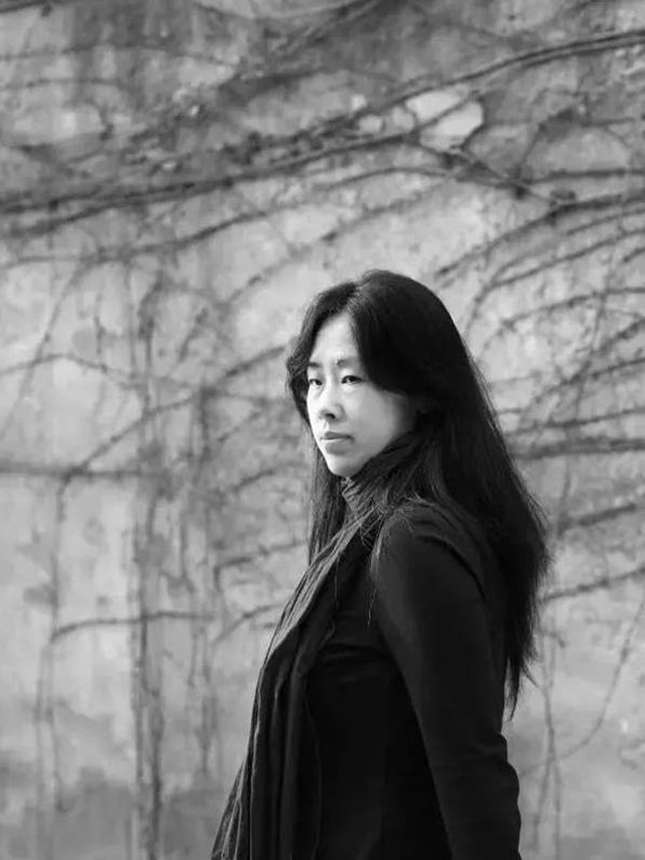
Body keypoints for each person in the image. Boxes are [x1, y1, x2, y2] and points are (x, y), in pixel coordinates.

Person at [211, 270, 550, 860]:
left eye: (352, 379)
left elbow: (470, 771)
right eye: (314, 381)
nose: (325, 406)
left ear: (420, 393)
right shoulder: (360, 536)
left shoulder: (410, 544)